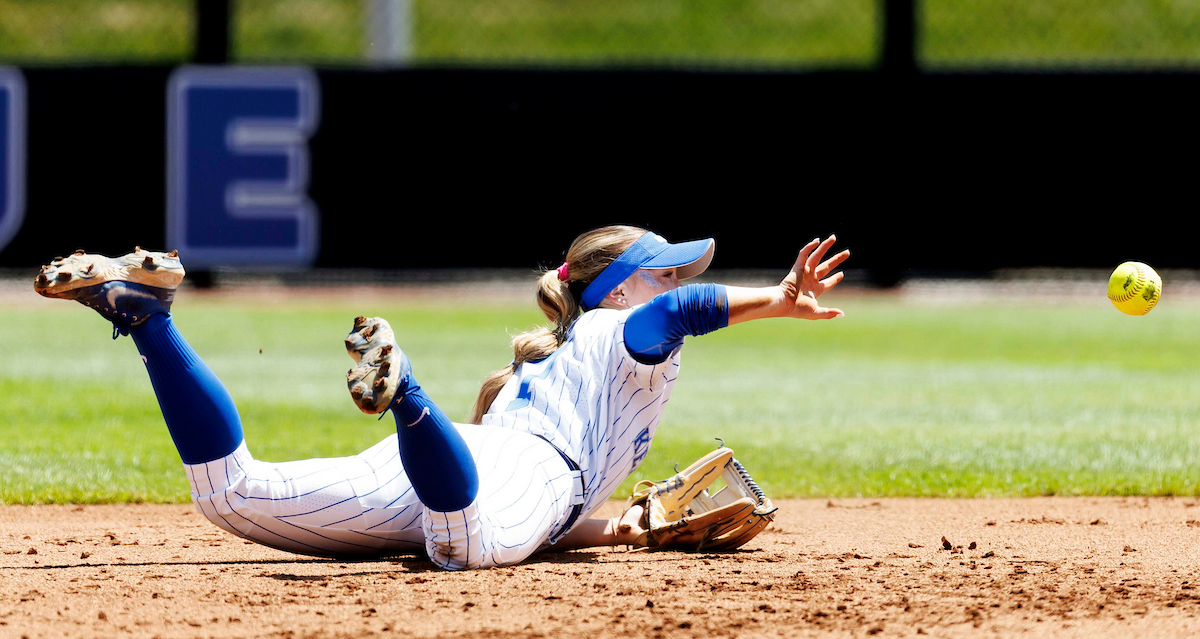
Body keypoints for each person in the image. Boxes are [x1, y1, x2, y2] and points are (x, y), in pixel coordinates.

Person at [33, 227, 848, 570]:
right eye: (663, 270)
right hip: (517, 470)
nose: (677, 281)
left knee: (232, 495)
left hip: (460, 460)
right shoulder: (618, 330)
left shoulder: (550, 364)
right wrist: (777, 299)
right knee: (463, 548)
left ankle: (148, 321)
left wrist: (623, 529)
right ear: (622, 287)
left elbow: (542, 521)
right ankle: (408, 395)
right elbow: (680, 313)